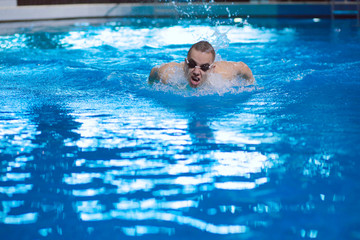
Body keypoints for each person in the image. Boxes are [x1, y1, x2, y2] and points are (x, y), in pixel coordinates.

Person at [148, 40, 255, 88]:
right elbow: (154, 71)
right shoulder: (168, 74)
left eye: (204, 67)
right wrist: (150, 86)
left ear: (212, 69)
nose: (196, 71)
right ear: (185, 64)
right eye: (192, 64)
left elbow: (243, 68)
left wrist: (251, 85)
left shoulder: (224, 75)